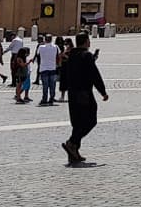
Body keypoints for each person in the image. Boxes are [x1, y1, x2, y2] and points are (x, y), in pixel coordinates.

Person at [61, 31, 108, 165]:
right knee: (90, 119)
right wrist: (103, 92)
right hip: (84, 93)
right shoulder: (86, 55)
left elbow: (65, 73)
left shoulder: (71, 55)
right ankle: (72, 143)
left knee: (77, 122)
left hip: (72, 93)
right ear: (86, 42)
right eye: (88, 40)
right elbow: (94, 75)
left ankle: (73, 154)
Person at [33, 35, 59, 106]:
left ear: (45, 39)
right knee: (52, 85)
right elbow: (58, 55)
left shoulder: (41, 47)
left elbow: (37, 54)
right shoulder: (56, 47)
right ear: (51, 39)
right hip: (53, 68)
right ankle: (51, 99)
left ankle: (44, 99)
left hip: (43, 68)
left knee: (45, 85)